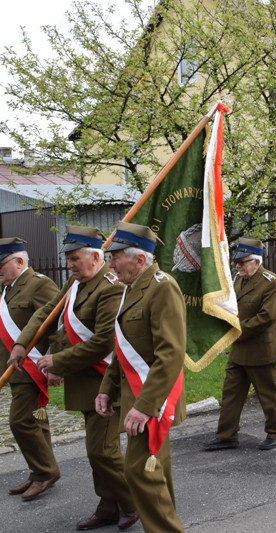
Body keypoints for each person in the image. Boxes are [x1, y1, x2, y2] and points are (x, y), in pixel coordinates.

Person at [11, 226, 138, 531]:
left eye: (74, 258)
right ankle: (108, 507)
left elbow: (103, 341)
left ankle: (133, 502)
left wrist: (59, 361)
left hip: (107, 382)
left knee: (101, 450)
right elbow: (48, 312)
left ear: (95, 257)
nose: (68, 264)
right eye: (67, 258)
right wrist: (22, 342)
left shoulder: (109, 287)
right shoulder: (78, 281)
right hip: (86, 382)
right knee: (97, 452)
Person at [95, 222, 186, 532]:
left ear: (139, 259)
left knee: (139, 471)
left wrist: (146, 406)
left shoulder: (162, 287)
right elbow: (123, 348)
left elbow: (170, 353)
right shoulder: (131, 288)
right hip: (137, 394)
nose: (110, 265)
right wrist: (107, 389)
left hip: (153, 399)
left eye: (115, 257)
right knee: (155, 469)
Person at [0, 237, 61, 501]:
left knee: (20, 421)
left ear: (19, 261)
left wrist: (55, 361)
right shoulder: (11, 288)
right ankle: (40, 470)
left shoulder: (39, 284)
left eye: (0, 265)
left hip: (32, 367)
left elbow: (57, 323)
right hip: (17, 369)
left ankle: (46, 471)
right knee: (36, 418)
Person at [205, 238, 276, 452]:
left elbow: (266, 317)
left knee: (267, 395)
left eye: (242, 262)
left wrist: (236, 331)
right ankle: (226, 435)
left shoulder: (271, 281)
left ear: (256, 262)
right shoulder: (238, 279)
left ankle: (275, 433)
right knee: (230, 393)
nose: (238, 266)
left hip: (260, 349)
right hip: (239, 348)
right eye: (237, 262)